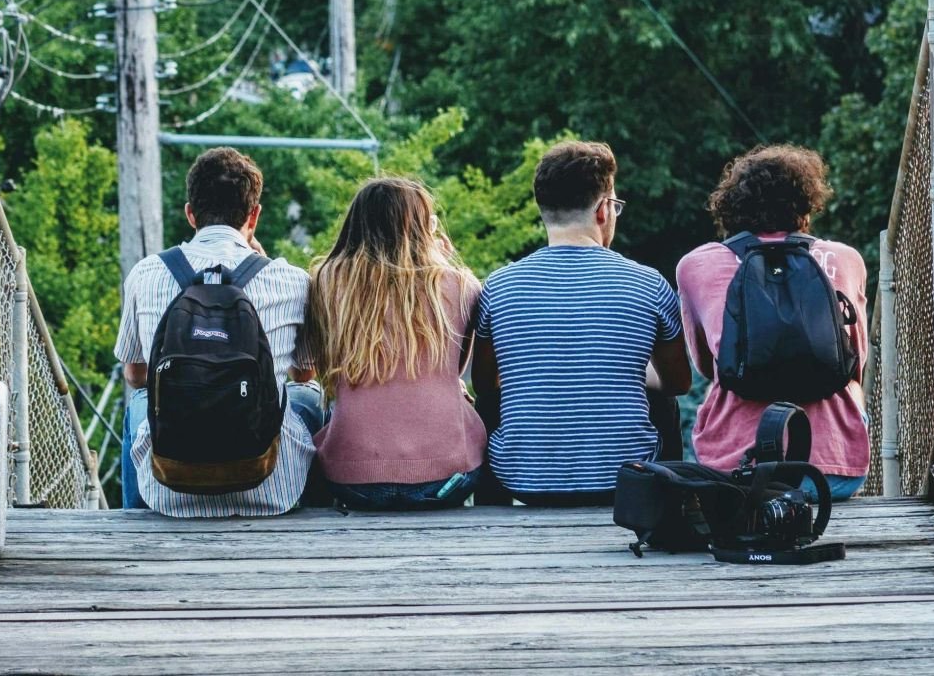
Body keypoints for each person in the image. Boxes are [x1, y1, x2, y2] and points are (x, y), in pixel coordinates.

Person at [471, 140, 692, 506]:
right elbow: (679, 383)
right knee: (663, 402)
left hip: (522, 483)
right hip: (624, 483)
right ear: (604, 209)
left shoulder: (499, 285)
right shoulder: (649, 284)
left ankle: (492, 509)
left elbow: (484, 385)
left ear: (543, 209)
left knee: (494, 401)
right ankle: (666, 505)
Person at [114, 147, 323, 516]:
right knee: (308, 396)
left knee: (138, 404)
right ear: (253, 215)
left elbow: (135, 376)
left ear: (190, 214)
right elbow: (303, 373)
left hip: (170, 490)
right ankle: (315, 512)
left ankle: (138, 516)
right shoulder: (291, 280)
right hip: (269, 486)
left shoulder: (145, 274)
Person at [676, 144, 870, 500]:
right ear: (806, 206)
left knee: (719, 384)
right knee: (853, 389)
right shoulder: (845, 259)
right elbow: (854, 362)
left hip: (738, 474)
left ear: (731, 207)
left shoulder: (696, 264)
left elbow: (707, 366)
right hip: (833, 477)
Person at [308, 177, 486, 511]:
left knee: (314, 402)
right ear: (422, 230)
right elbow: (455, 368)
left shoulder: (325, 282)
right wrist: (442, 265)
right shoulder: (461, 285)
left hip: (352, 484)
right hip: (446, 482)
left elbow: (318, 365)